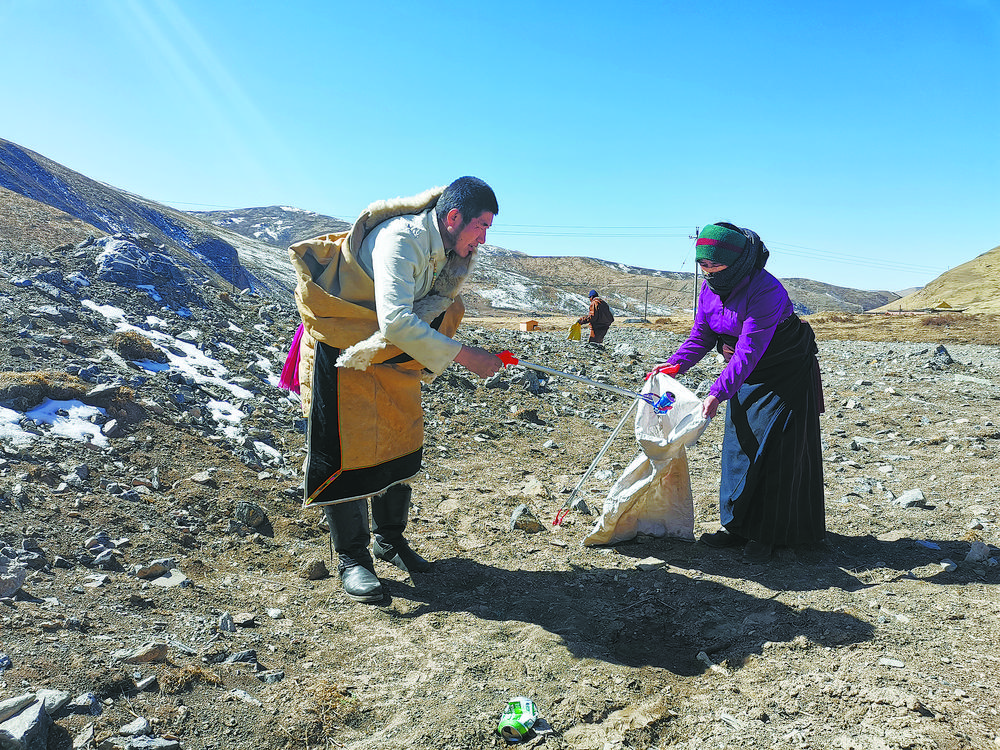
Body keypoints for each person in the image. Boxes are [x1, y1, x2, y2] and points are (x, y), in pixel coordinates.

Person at [289, 176, 502, 602]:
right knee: (349, 449)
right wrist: (465, 356)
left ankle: (388, 540)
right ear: (453, 218)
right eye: (480, 226)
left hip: (389, 353)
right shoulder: (400, 240)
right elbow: (396, 321)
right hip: (345, 347)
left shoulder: (447, 250)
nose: (483, 239)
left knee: (399, 437)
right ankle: (352, 557)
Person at [647, 222, 825, 562]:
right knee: (739, 448)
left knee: (775, 451)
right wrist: (674, 365)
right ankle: (737, 527)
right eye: (703, 264)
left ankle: (769, 534)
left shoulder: (766, 290)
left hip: (783, 372)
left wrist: (717, 392)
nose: (708, 271)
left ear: (738, 261)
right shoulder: (709, 290)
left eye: (715, 264)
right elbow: (702, 335)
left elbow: (749, 349)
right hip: (742, 374)